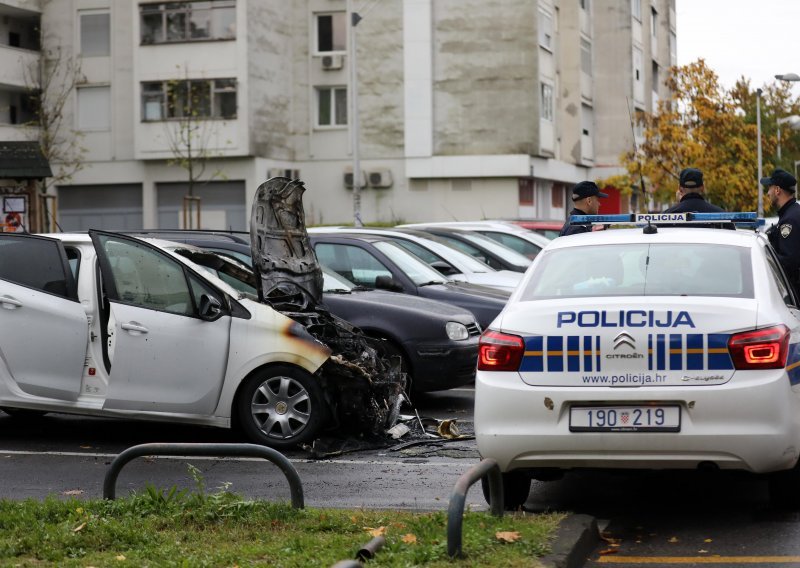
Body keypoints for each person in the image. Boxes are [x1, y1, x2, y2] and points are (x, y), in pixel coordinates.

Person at [763, 168, 800, 294]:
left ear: (777, 190)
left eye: (769, 188)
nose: (768, 193)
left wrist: (765, 257)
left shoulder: (789, 220)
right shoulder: (794, 213)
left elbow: (788, 263)